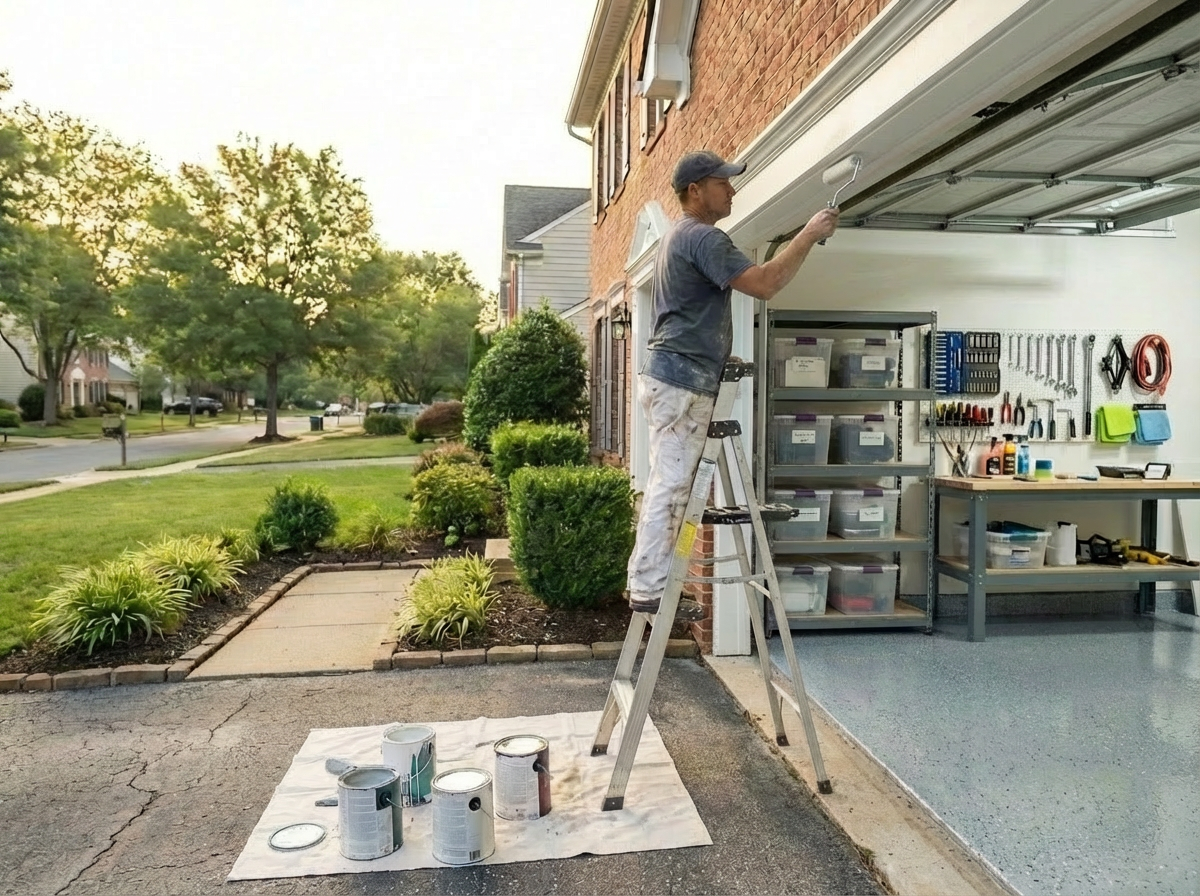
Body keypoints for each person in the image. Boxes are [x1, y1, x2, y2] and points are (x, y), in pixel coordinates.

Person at [626, 150, 839, 617]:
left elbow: (687, 315)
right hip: (682, 382)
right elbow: (764, 284)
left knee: (672, 482)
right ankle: (648, 590)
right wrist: (808, 234)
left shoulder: (676, 239)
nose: (733, 190)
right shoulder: (704, 237)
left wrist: (720, 354)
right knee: (673, 486)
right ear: (695, 191)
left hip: (676, 376)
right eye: (723, 183)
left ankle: (649, 585)